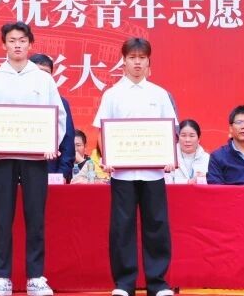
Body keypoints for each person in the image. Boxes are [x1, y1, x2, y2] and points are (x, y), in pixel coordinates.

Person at [0, 22, 66, 296]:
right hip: (2, 158)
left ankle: (35, 277)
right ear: (4, 44)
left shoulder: (43, 80)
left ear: (30, 44)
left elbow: (58, 116)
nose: (17, 45)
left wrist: (51, 143)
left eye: (22, 40)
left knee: (35, 217)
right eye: (12, 40)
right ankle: (2, 277)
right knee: (3, 218)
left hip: (35, 158)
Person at [92, 37, 177, 296]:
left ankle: (157, 283)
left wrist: (169, 156)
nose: (137, 63)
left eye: (142, 58)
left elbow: (170, 131)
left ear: (149, 61)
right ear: (124, 61)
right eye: (132, 58)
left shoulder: (159, 94)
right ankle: (124, 283)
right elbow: (101, 132)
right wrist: (107, 157)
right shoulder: (112, 95)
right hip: (122, 173)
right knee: (122, 227)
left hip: (153, 173)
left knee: (156, 224)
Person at [29, 53, 77, 182]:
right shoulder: (18, 101)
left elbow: (68, 142)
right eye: (37, 72)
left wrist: (63, 174)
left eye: (46, 73)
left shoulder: (60, 103)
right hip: (19, 171)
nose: (42, 77)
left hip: (51, 172)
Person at [167, 119, 209, 184]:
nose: (187, 140)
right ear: (178, 137)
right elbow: (163, 182)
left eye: (192, 136)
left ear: (198, 139)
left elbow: (212, 182)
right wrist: (187, 182)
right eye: (183, 135)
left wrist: (204, 179)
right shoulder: (169, 156)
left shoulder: (207, 158)